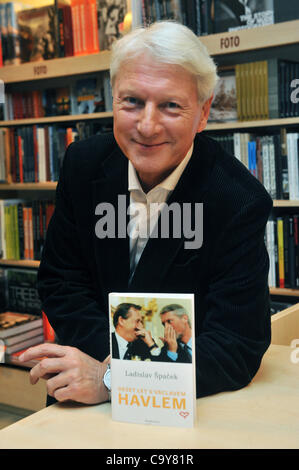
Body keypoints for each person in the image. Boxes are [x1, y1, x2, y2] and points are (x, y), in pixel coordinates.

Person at [19, 21, 272, 405]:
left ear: (204, 113)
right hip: (82, 395)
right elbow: (61, 282)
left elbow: (236, 343)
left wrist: (113, 377)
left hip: (187, 406)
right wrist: (103, 371)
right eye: (132, 101)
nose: (147, 125)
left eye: (170, 105)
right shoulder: (82, 163)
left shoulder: (237, 199)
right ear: (112, 98)